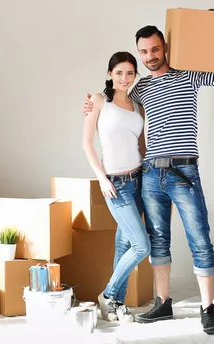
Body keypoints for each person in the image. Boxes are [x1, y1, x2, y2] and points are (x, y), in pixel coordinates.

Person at [82, 10, 214, 335]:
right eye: (144, 52)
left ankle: (207, 310)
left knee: (200, 240)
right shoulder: (138, 88)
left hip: (184, 173)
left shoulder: (189, 75)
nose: (150, 57)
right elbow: (112, 97)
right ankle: (163, 304)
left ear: (165, 47)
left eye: (154, 50)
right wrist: (94, 101)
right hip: (149, 177)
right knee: (158, 242)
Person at [82, 51, 151, 324]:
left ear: (135, 76)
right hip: (116, 184)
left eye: (130, 73)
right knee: (141, 245)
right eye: (119, 72)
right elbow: (87, 143)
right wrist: (101, 177)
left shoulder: (138, 106)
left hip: (139, 181)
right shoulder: (99, 101)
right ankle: (109, 294)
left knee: (124, 245)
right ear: (110, 73)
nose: (125, 78)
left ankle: (116, 305)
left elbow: (142, 147)